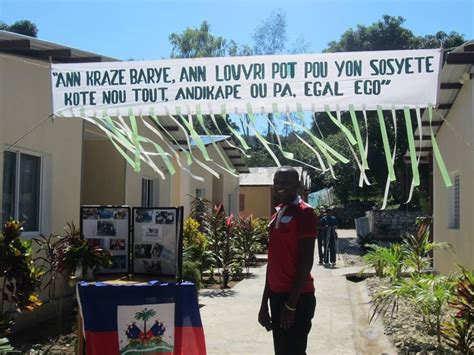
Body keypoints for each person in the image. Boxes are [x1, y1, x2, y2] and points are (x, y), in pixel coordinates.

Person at [258, 166, 317, 355]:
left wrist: (291, 304)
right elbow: (273, 262)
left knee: (294, 352)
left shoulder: (305, 213)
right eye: (276, 182)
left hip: (297, 298)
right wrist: (264, 304)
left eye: (285, 182)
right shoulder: (278, 213)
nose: (279, 186)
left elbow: (306, 262)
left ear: (298, 186)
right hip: (277, 297)